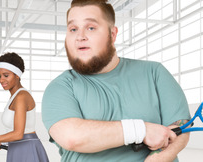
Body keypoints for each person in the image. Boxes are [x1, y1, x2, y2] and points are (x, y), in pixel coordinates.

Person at [41, 0, 191, 162]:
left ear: (112, 34)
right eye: (73, 29)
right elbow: (71, 137)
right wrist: (141, 129)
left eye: (91, 28)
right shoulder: (60, 87)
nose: (80, 36)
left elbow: (180, 126)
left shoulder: (155, 72)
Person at [0, 52, 49, 162]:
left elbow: (18, 134)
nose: (1, 80)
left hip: (27, 150)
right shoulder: (14, 97)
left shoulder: (21, 97)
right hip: (17, 148)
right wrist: (1, 143)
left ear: (17, 75)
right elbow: (15, 133)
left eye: (6, 75)